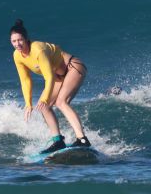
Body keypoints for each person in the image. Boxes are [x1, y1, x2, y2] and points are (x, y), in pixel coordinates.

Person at [10, 19, 91, 153]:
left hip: (73, 67)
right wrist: (28, 103)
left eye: (20, 40)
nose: (17, 44)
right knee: (44, 107)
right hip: (58, 76)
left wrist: (44, 97)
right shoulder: (17, 56)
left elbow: (49, 77)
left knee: (61, 102)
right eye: (14, 41)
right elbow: (25, 80)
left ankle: (82, 139)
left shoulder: (38, 50)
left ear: (26, 39)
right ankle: (58, 141)